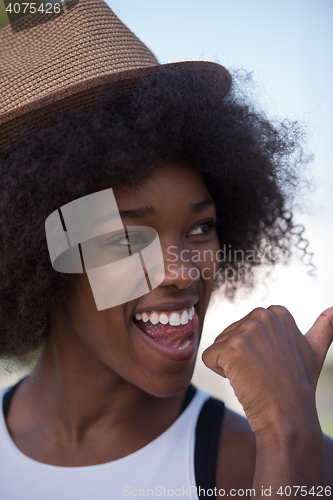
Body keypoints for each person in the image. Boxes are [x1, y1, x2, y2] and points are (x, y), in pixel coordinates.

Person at [0, 1, 332, 498]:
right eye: (128, 239)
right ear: (38, 258)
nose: (181, 272)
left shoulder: (272, 463)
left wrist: (290, 434)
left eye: (200, 228)